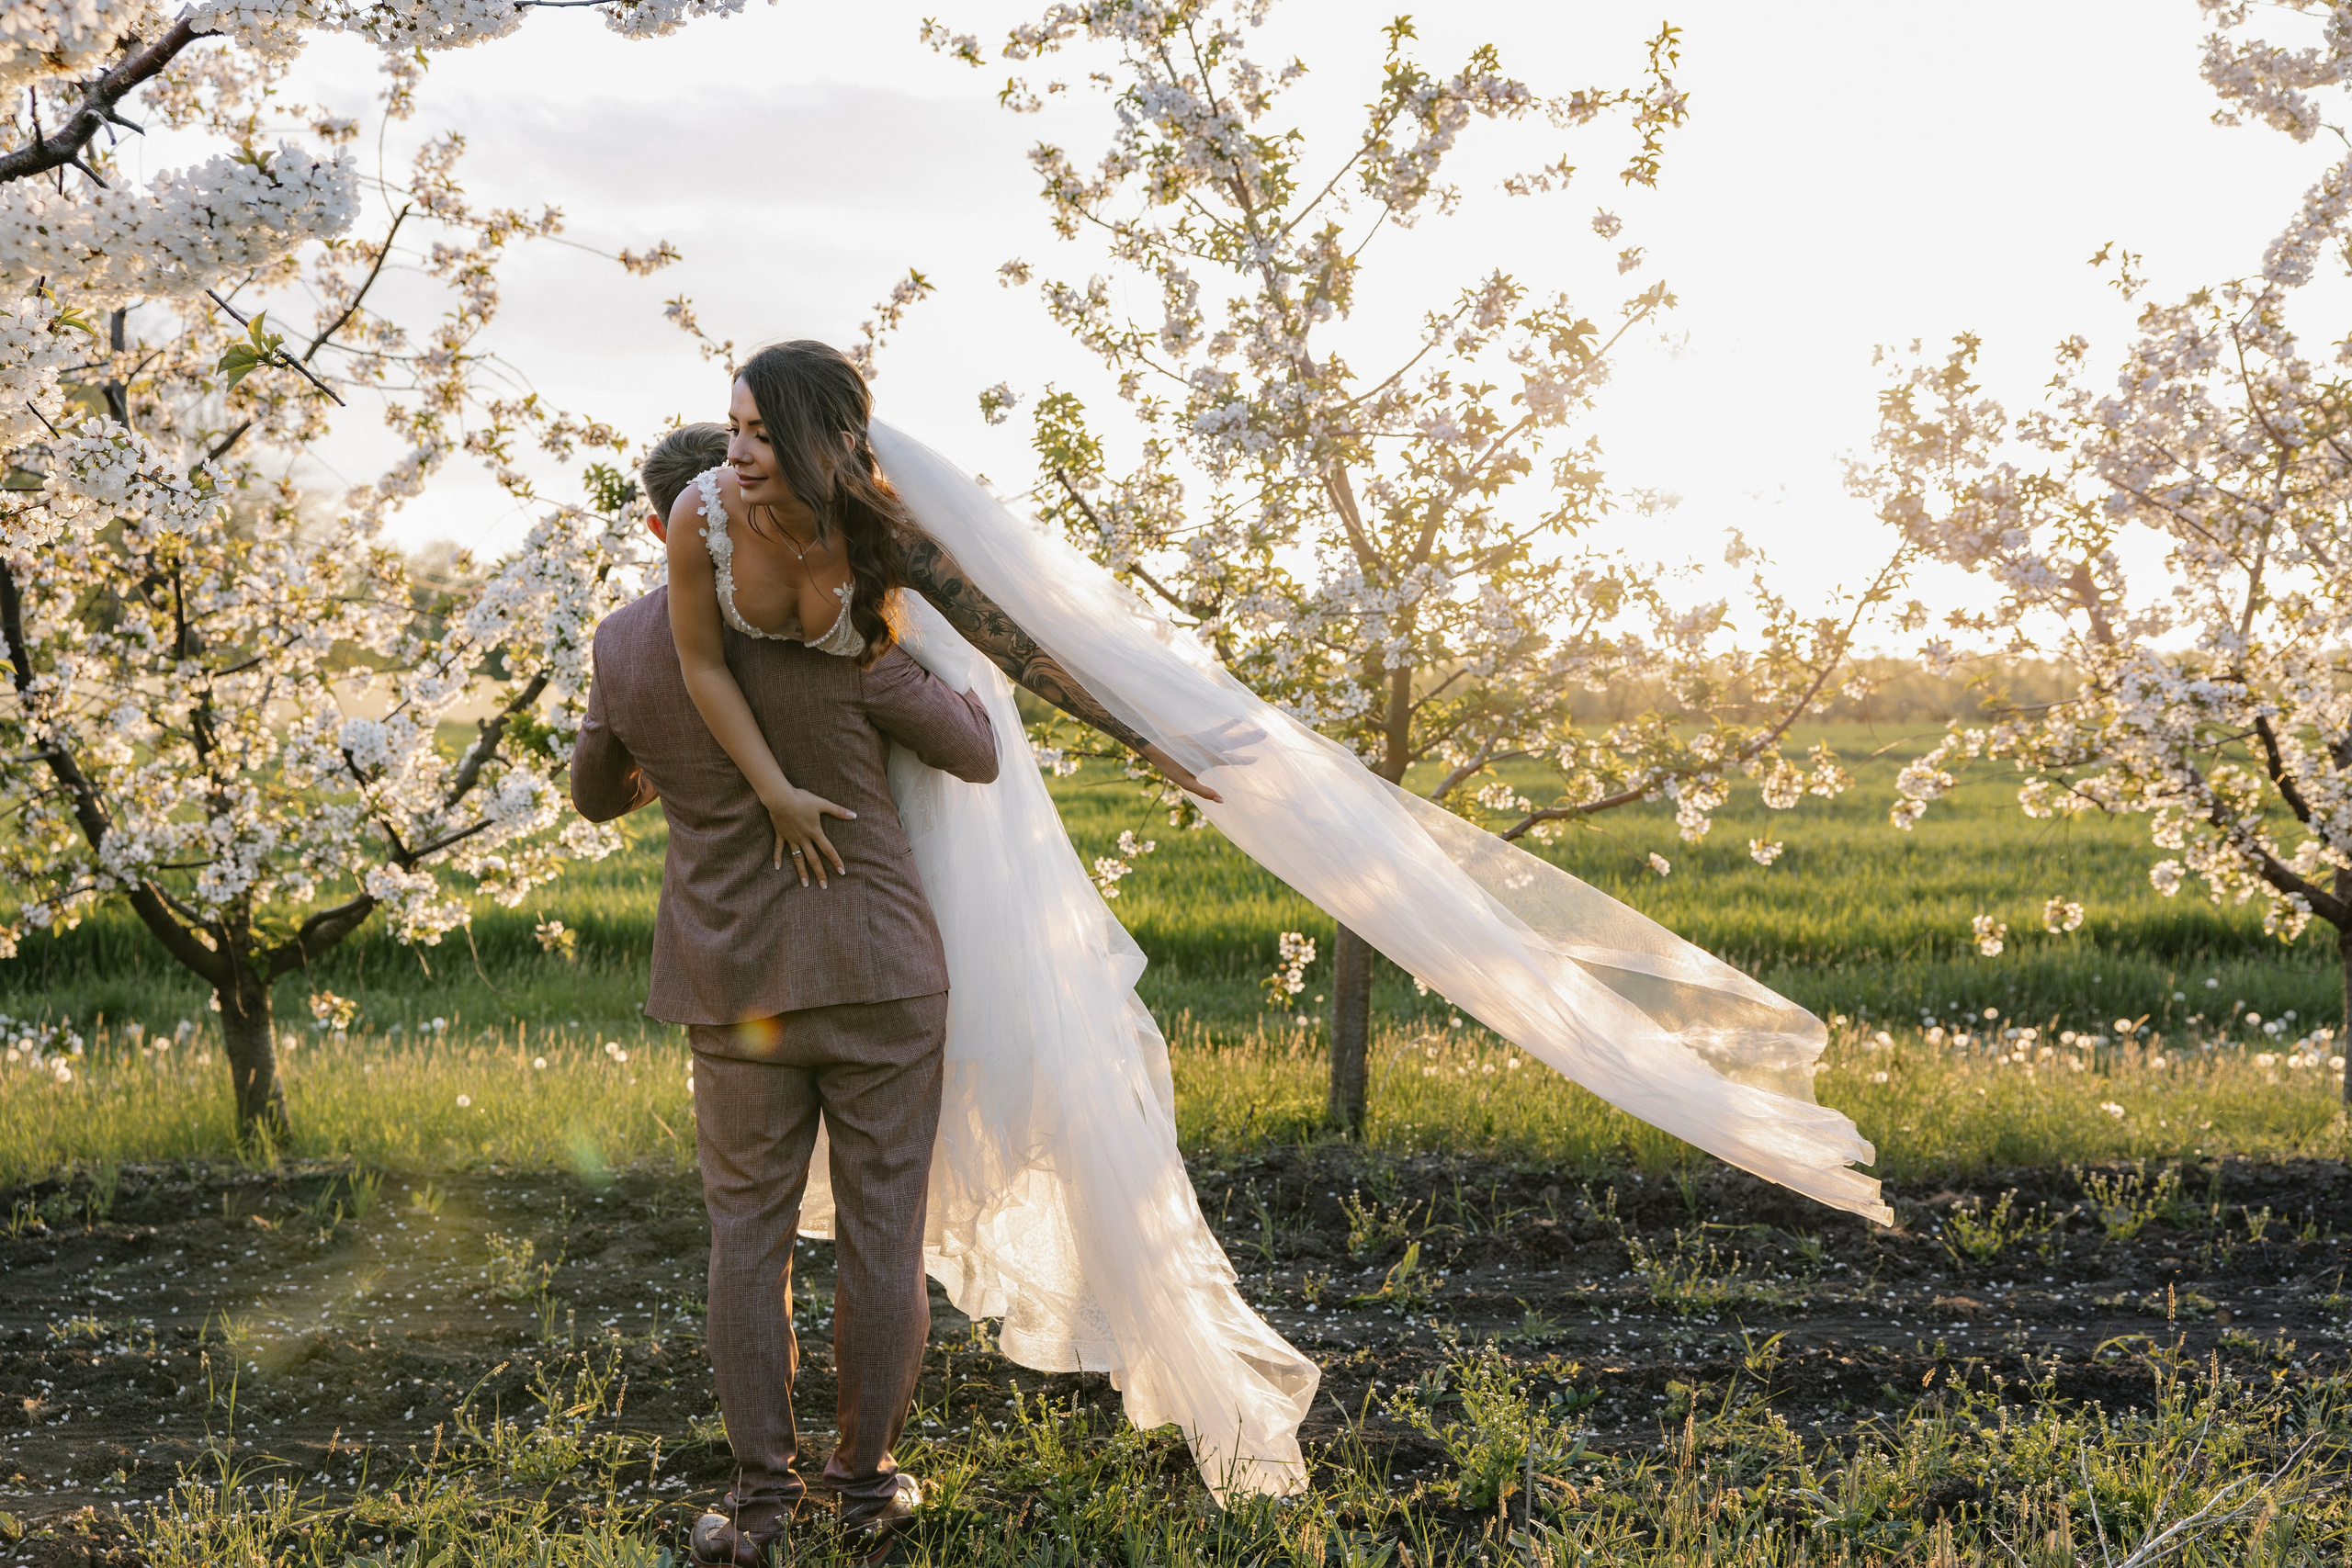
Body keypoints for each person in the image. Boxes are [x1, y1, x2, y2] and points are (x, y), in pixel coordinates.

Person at [571, 412, 1001, 1565]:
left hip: (733, 984)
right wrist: (944, 678)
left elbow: (595, 794)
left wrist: (669, 763)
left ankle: (759, 1504)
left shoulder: (627, 642)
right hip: (875, 974)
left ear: (661, 525)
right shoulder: (839, 623)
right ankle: (864, 1489)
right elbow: (972, 752)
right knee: (882, 1233)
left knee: (744, 1241)